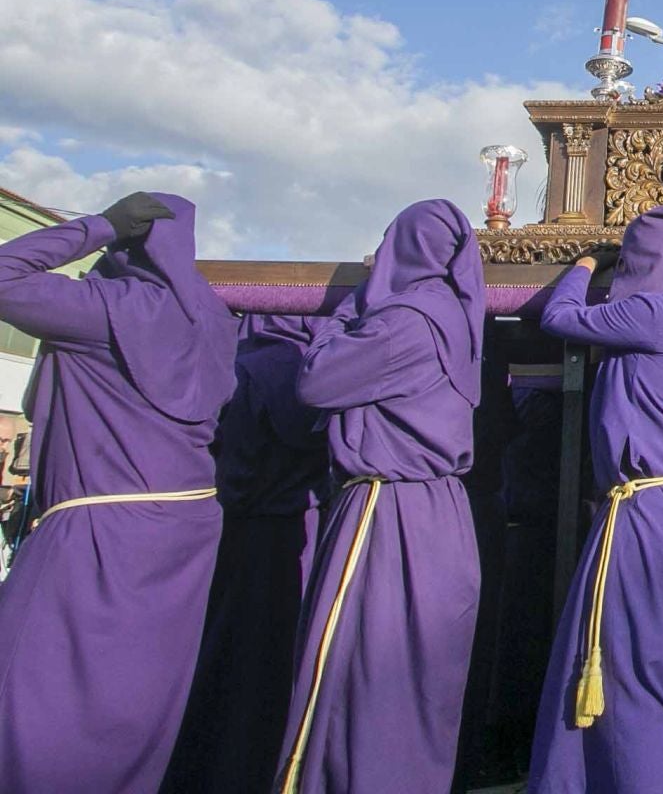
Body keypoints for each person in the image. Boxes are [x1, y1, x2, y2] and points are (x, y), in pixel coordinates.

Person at [0, 192, 238, 793]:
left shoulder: (106, 309)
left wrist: (98, 226)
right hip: (185, 532)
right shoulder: (212, 321)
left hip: (97, 525)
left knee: (28, 694)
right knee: (135, 708)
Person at [276, 199, 485, 794]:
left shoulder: (401, 321)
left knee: (354, 676)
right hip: (443, 516)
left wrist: (346, 308)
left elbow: (317, 383)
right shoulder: (458, 320)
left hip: (386, 512)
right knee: (419, 686)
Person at [529, 204, 663, 794]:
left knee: (625, 663)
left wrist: (585, 263)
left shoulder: (655, 312)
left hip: (648, 512)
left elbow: (560, 317)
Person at [164, 315, 330, 794]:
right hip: (306, 533)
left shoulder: (244, 368)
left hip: (245, 536)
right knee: (287, 665)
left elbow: (228, 460)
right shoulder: (316, 367)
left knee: (234, 662)